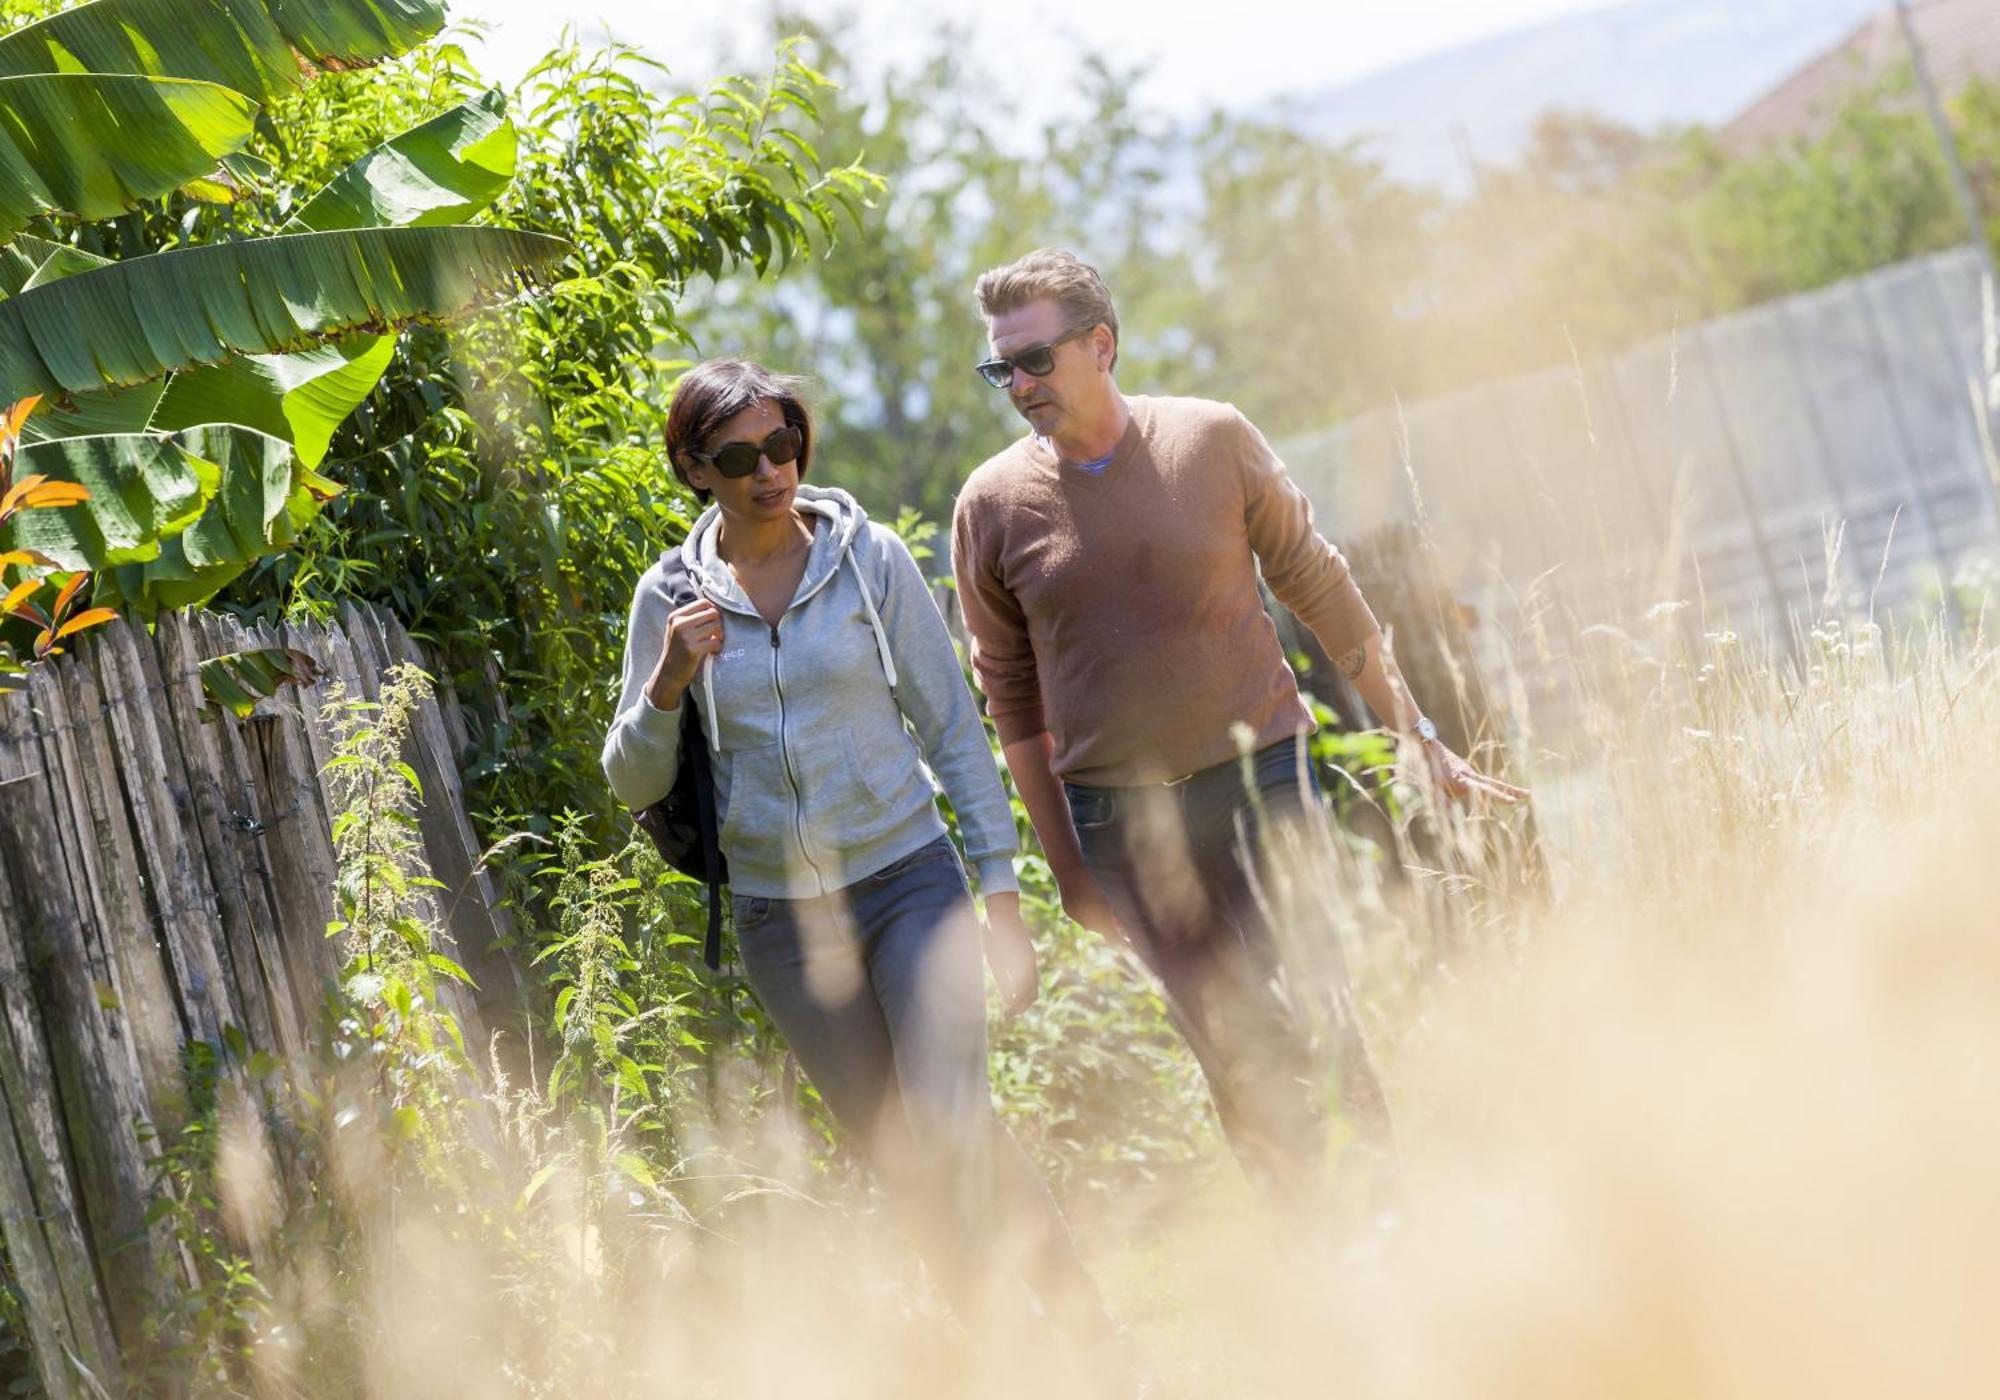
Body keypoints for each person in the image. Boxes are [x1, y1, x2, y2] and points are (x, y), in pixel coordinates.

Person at [950, 250, 1527, 1197]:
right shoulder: (993, 505)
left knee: (1314, 1007)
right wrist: (1068, 870)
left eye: (1035, 360)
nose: (1017, 385)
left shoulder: (1211, 440)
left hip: (1263, 778)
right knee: (1228, 1043)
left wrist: (1414, 731)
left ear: (1102, 345)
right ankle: (1308, 1236)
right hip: (1122, 827)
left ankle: (1385, 1219)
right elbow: (1009, 697)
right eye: (999, 368)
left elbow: (1317, 580)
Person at [601, 358, 1112, 1350]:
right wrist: (666, 679)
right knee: (899, 1157)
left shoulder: (868, 560)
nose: (768, 470)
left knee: (952, 1118)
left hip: (908, 880)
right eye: (738, 456)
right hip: (778, 921)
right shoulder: (666, 596)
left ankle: (1091, 1333)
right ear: (693, 467)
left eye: (781, 443)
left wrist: (998, 890)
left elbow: (955, 730)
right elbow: (629, 779)